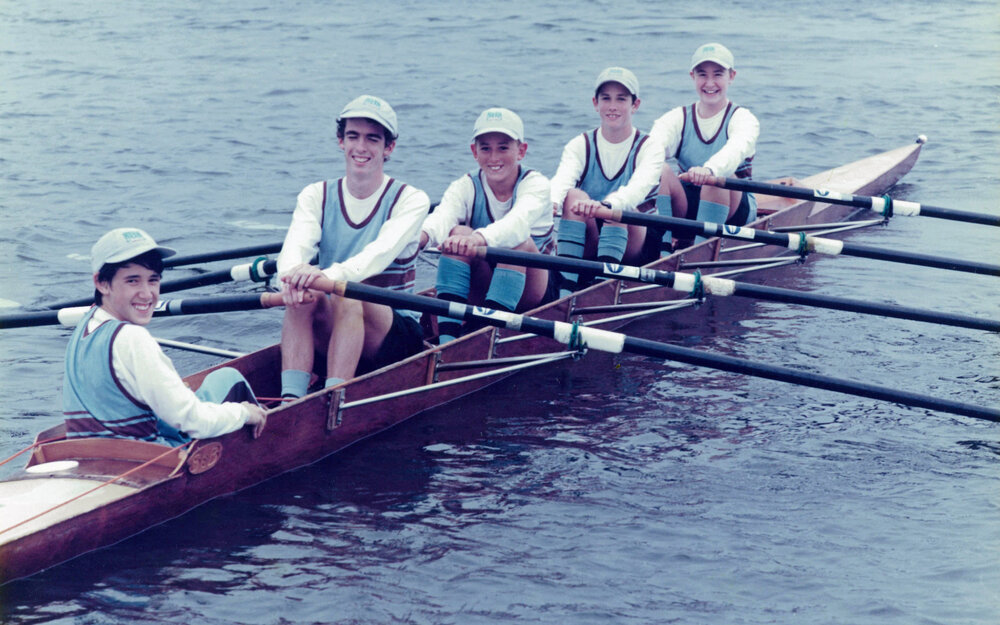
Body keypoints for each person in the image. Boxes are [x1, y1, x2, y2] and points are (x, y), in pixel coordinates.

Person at [277, 95, 431, 398]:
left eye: (372, 139)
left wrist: (324, 278)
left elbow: (377, 255)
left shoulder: (411, 200)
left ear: (389, 147)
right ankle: (290, 401)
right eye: (353, 136)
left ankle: (334, 399)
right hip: (337, 326)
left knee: (348, 291)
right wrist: (290, 279)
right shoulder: (315, 195)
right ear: (341, 141)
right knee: (301, 293)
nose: (361, 147)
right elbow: (294, 249)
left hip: (394, 338)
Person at [63, 228, 267, 446]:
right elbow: (195, 422)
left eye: (153, 280)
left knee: (222, 379)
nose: (146, 294)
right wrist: (243, 413)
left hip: (86, 452)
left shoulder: (84, 326)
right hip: (148, 457)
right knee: (230, 379)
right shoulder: (132, 338)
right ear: (102, 283)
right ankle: (265, 435)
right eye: (132, 281)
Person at [420, 107, 553, 343]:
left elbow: (516, 224)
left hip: (534, 289)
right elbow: (441, 217)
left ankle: (486, 338)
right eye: (485, 148)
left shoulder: (536, 184)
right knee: (457, 232)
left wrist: (476, 239)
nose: (494, 158)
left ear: (521, 151)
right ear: (474, 151)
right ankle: (448, 344)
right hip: (486, 286)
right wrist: (418, 238)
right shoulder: (464, 186)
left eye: (503, 148)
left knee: (518, 242)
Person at [550, 66, 664, 296]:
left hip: (636, 240)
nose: (613, 106)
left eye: (621, 99)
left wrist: (607, 206)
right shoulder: (579, 144)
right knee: (572, 196)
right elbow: (562, 179)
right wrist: (552, 201)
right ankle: (565, 290)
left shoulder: (650, 147)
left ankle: (602, 288)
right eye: (606, 98)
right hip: (596, 234)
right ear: (595, 103)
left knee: (618, 207)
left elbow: (637, 188)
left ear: (635, 105)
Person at [649, 42, 760, 250]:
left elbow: (735, 150)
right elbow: (649, 150)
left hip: (735, 212)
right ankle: (661, 249)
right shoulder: (676, 118)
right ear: (693, 76)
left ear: (731, 76)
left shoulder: (744, 119)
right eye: (702, 75)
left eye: (718, 74)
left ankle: (701, 252)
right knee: (659, 168)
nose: (710, 83)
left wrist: (709, 170)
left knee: (716, 179)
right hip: (689, 206)